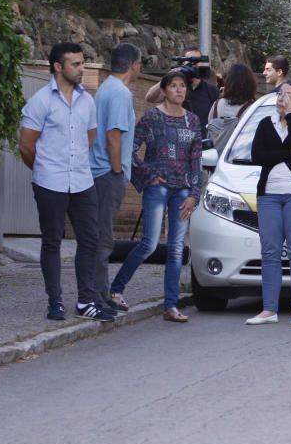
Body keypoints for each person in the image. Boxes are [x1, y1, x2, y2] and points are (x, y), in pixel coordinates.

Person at [20, 42, 112, 322]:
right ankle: (55, 301)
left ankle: (86, 300)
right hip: (50, 182)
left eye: (83, 63)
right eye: (76, 64)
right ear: (58, 67)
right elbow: (26, 145)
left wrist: (75, 163)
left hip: (82, 181)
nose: (81, 68)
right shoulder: (40, 101)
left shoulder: (87, 100)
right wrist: (46, 168)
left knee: (90, 239)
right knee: (52, 242)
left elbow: (91, 135)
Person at [109, 69, 202, 323]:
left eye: (183, 86)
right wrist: (148, 174)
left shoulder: (192, 121)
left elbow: (196, 161)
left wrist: (195, 194)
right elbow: (130, 149)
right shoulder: (151, 117)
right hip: (157, 188)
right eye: (173, 85)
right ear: (164, 90)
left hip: (182, 189)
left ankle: (170, 305)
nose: (179, 90)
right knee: (149, 243)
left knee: (175, 249)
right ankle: (115, 289)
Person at [247, 80, 291, 326]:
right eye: (280, 94)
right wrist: (288, 154)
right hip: (269, 195)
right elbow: (257, 156)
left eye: (288, 96)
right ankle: (269, 309)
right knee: (270, 251)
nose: (281, 98)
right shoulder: (265, 124)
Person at [89, 43, 141, 311]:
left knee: (99, 235)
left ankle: (96, 292)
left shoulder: (105, 87)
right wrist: (118, 170)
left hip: (98, 171)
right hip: (108, 173)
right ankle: (97, 295)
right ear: (135, 66)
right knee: (104, 237)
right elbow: (114, 135)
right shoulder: (120, 93)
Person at [145, 46, 219, 136]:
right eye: (190, 62)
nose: (194, 65)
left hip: (202, 144)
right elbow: (150, 98)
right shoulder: (175, 88)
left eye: (197, 61)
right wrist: (169, 76)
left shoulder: (212, 91)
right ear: (183, 64)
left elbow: (218, 121)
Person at [206, 62, 257, 150]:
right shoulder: (252, 108)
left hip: (215, 158)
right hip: (237, 159)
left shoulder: (216, 105)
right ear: (250, 83)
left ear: (228, 82)